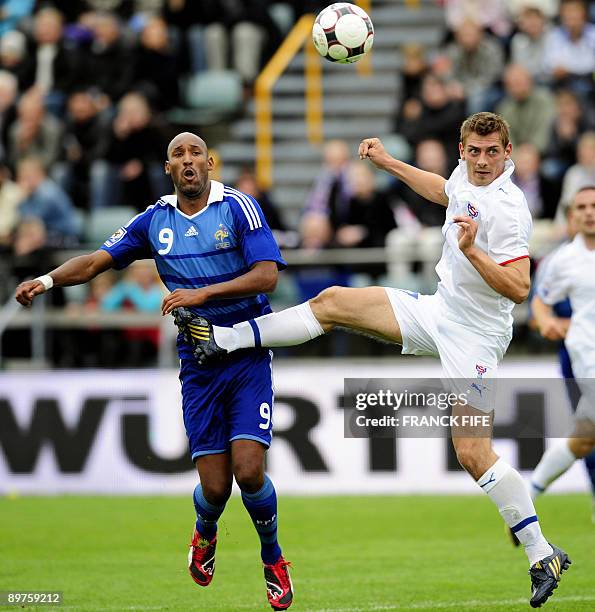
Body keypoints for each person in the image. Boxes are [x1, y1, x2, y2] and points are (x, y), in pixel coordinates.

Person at [188, 112, 571, 608]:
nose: (480, 161)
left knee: (473, 453)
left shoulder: (511, 207)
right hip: (437, 310)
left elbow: (519, 287)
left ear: (507, 153)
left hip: (477, 338)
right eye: (473, 152)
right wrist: (390, 162)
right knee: (332, 303)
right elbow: (444, 192)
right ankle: (225, 338)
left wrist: (473, 253)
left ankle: (542, 554)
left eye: (491, 152)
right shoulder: (467, 179)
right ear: (462, 150)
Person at [14, 132, 294, 611]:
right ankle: (204, 533)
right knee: (214, 487)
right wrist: (46, 279)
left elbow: (267, 274)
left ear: (210, 162)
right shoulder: (155, 220)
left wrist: (200, 295)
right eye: (178, 155)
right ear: (169, 169)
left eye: (195, 153)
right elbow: (97, 262)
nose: (188, 161)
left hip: (247, 352)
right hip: (199, 363)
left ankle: (273, 558)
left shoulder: (239, 207)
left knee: (249, 471)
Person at [529, 186, 595, 517]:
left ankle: (526, 498)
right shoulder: (563, 261)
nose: (589, 212)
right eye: (581, 207)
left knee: (584, 438)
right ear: (572, 216)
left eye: (594, 205)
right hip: (587, 357)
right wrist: (547, 322)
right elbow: (540, 302)